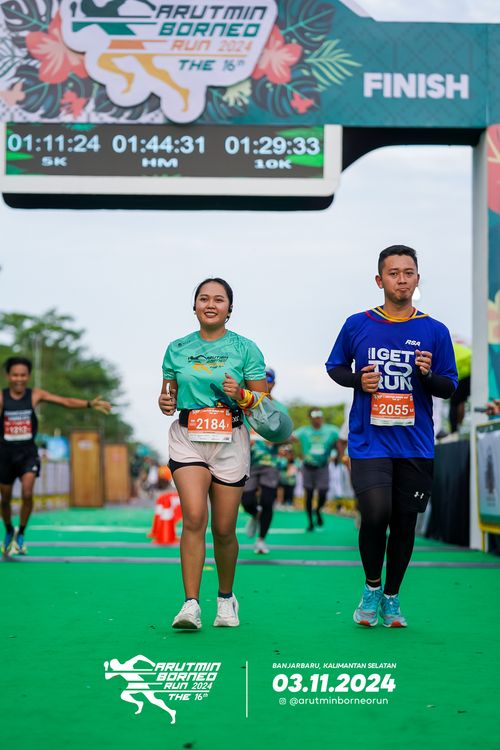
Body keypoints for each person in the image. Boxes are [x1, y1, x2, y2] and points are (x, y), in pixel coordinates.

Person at [326, 245, 457, 628]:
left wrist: (428, 376)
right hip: (370, 441)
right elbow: (335, 367)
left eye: (408, 272)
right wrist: (358, 380)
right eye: (394, 273)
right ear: (379, 279)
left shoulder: (435, 330)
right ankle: (371, 586)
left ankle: (392, 597)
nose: (402, 279)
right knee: (375, 512)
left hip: (415, 443)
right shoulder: (358, 324)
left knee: (404, 522)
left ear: (417, 278)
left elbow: (448, 386)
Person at [159, 278, 267, 630]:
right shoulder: (177, 348)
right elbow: (168, 395)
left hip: (230, 439)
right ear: (194, 307)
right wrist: (165, 402)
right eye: (203, 298)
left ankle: (225, 598)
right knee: (193, 517)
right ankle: (190, 605)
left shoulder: (246, 348)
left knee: (223, 528)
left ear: (229, 309)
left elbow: (263, 401)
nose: (210, 304)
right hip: (188, 437)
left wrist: (242, 395)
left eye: (218, 299)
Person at [0, 356, 111, 555]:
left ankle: (21, 533)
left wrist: (88, 404)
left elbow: (64, 401)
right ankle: (9, 530)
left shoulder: (34, 395)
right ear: (8, 376)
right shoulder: (2, 397)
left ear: (28, 376)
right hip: (5, 454)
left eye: (23, 375)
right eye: (15, 375)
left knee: (27, 493)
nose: (19, 379)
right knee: (5, 498)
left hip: (27, 454)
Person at [241, 367, 283, 554]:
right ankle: (255, 515)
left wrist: (275, 438)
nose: (265, 383)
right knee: (247, 501)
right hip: (248, 461)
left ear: (274, 383)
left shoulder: (280, 408)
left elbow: (287, 435)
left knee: (267, 501)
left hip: (270, 463)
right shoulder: (244, 403)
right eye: (262, 379)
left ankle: (261, 540)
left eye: (269, 380)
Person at [294, 409, 339, 531]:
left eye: (319, 416)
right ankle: (310, 522)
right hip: (308, 467)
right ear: (310, 418)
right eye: (315, 417)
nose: (318, 419)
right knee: (308, 494)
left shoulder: (332, 430)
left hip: (323, 466)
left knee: (323, 492)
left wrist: (336, 455)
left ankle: (318, 510)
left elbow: (341, 441)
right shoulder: (304, 431)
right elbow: (290, 438)